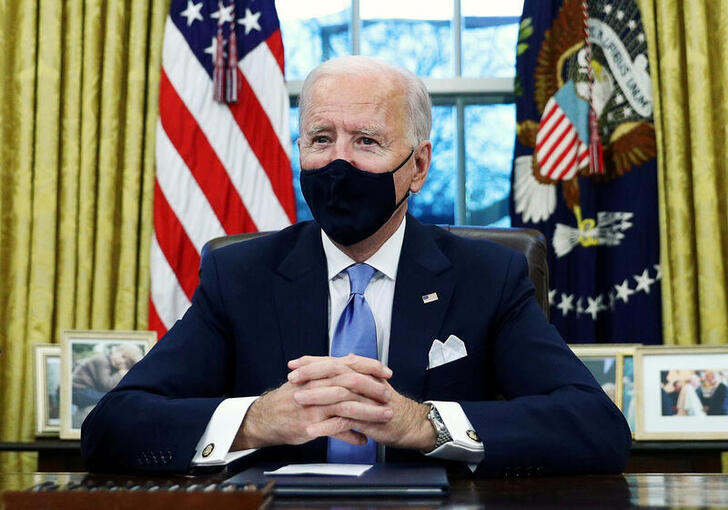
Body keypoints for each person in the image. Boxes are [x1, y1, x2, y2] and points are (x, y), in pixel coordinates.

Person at [81, 56, 631, 476]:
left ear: (417, 166)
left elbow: (596, 427)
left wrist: (423, 423)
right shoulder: (240, 276)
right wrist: (256, 420)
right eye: (321, 139)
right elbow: (112, 425)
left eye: (366, 141)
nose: (338, 162)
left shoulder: (488, 276)